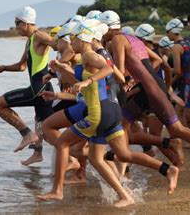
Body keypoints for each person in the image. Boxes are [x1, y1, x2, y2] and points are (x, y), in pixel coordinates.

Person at [38, 20, 179, 206]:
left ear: (83, 38)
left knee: (63, 144)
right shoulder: (90, 55)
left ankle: (57, 191)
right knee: (118, 155)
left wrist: (87, 82)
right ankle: (163, 172)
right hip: (111, 110)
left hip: (98, 113)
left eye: (73, 39)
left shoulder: (89, 55)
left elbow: (107, 68)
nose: (71, 44)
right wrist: (66, 71)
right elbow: (104, 79)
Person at [99, 10, 190, 178]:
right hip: (151, 87)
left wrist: (101, 77)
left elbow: (119, 70)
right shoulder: (132, 38)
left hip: (152, 90)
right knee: (123, 125)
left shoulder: (117, 39)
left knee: (178, 129)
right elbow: (156, 61)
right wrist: (136, 78)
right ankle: (124, 172)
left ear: (107, 28)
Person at [0, 6, 56, 165]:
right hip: (44, 90)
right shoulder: (30, 41)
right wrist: (3, 68)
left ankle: (26, 134)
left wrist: (57, 68)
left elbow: (59, 45)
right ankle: (44, 154)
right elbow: (21, 66)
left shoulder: (39, 36)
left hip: (38, 90)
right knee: (47, 131)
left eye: (17, 23)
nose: (16, 27)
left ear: (25, 23)